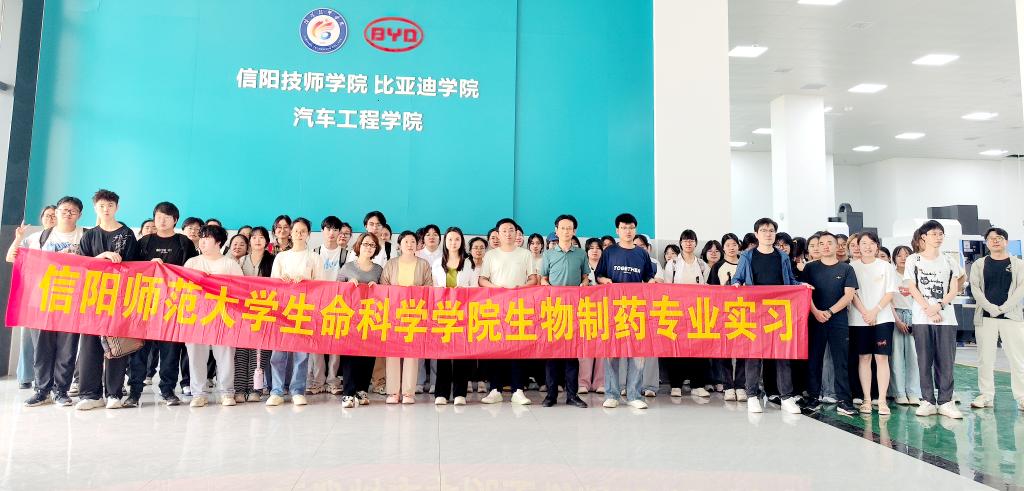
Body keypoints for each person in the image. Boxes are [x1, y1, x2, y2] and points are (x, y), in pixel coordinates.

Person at [12, 197, 84, 407]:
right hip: (42, 301)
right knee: (42, 348)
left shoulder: (86, 236)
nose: (67, 213)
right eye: (64, 209)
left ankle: (61, 391)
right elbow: (14, 258)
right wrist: (18, 239)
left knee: (67, 349)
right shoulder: (39, 237)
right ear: (57, 211)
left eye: (73, 210)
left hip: (72, 301)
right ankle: (41, 390)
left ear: (79, 214)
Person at [74, 189, 141, 410]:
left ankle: (114, 393)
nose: (106, 209)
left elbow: (134, 267)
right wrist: (100, 257)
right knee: (90, 347)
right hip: (92, 299)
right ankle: (90, 395)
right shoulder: (89, 235)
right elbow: (81, 266)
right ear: (95, 208)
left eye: (110, 205)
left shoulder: (127, 234)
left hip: (118, 300)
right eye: (102, 205)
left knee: (116, 346)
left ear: (117, 208)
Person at [130, 201, 199, 407]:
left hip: (172, 305)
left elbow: (191, 270)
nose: (161, 221)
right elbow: (132, 268)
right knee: (140, 350)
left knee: (170, 352)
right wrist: (148, 266)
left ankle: (168, 390)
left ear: (175, 220)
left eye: (167, 217)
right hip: (146, 304)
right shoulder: (144, 242)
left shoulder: (184, 242)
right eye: (158, 217)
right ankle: (134, 392)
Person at [731, 218, 803, 414]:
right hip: (755, 312)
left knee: (782, 355)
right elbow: (737, 278)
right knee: (754, 355)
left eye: (771, 230)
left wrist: (802, 286)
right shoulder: (747, 256)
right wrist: (736, 284)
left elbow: (790, 281)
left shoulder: (782, 256)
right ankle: (752, 395)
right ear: (757, 234)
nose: (768, 234)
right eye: (764, 230)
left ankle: (786, 397)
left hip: (778, 312)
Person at [595, 213, 657, 409]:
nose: (628, 231)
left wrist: (652, 282)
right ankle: (611, 393)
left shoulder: (642, 254)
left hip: (637, 309)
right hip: (613, 310)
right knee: (612, 352)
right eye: (624, 228)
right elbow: (598, 275)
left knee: (637, 352)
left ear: (635, 229)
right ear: (617, 230)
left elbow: (648, 277)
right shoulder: (609, 252)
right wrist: (605, 281)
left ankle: (634, 395)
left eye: (631, 227)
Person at [904, 220, 964, 419]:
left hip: (946, 318)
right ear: (923, 237)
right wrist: (928, 309)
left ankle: (946, 401)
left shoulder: (949, 260)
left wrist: (938, 306)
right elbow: (912, 287)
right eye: (934, 234)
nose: (938, 237)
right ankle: (927, 400)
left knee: (946, 361)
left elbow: (954, 289)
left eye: (941, 234)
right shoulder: (913, 260)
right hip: (922, 318)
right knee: (924, 360)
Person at [479, 218, 539, 405]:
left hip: (518, 307)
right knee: (496, 348)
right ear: (497, 234)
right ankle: (495, 389)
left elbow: (533, 279)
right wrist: (497, 288)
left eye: (511, 230)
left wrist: (520, 288)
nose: (508, 233)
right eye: (504, 230)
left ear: (516, 233)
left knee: (518, 348)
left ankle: (518, 390)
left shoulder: (525, 254)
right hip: (496, 307)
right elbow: (482, 279)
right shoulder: (491, 255)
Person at [183, 225, 244, 407]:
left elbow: (240, 290)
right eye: (201, 237)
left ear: (218, 242)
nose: (202, 241)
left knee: (225, 356)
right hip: (197, 317)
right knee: (196, 356)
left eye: (207, 238)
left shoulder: (230, 264)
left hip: (223, 316)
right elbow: (184, 289)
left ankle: (226, 392)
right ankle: (199, 393)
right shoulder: (192, 263)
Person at [267, 218, 325, 406]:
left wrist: (307, 281)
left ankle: (298, 390)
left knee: (301, 353)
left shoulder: (314, 258)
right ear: (290, 233)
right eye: (296, 231)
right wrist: (281, 280)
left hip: (304, 310)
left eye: (303, 231)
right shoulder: (281, 257)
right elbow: (272, 284)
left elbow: (322, 286)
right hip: (282, 310)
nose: (299, 234)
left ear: (308, 234)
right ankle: (276, 391)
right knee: (278, 352)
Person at [799, 231, 858, 415]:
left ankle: (844, 401)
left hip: (838, 320)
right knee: (814, 360)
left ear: (836, 246)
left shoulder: (846, 269)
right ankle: (813, 398)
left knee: (841, 361)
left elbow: (849, 295)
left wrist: (830, 311)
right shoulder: (810, 268)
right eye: (821, 243)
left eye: (829, 243)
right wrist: (816, 312)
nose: (825, 246)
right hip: (814, 319)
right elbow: (805, 293)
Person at [969, 227, 1024, 411]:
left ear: (1006, 241)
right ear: (987, 243)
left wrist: (1003, 308)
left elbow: (1021, 289)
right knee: (985, 359)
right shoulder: (979, 264)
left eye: (999, 238)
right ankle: (986, 396)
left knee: (1017, 359)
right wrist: (991, 308)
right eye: (991, 238)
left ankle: (1022, 397)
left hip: (1012, 317)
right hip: (986, 318)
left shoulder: (1018, 264)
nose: (995, 241)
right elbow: (975, 289)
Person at [539, 215, 590, 408]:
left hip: (574, 309)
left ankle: (572, 395)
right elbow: (543, 278)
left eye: (570, 228)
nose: (566, 231)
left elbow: (585, 276)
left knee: (572, 354)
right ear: (556, 230)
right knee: (552, 354)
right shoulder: (549, 254)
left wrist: (584, 284)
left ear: (574, 231)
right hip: (553, 310)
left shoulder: (581, 254)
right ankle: (551, 395)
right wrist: (547, 286)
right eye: (562, 228)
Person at [380, 230, 434, 404]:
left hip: (414, 313)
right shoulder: (391, 264)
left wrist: (416, 291)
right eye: (406, 242)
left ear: (417, 245)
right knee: (393, 352)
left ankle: (408, 392)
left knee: (412, 352)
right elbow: (383, 286)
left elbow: (429, 286)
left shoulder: (423, 264)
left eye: (413, 242)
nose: (409, 245)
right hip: (394, 313)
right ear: (399, 245)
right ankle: (393, 392)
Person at [849, 232, 898, 415]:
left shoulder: (886, 266)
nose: (867, 247)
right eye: (863, 243)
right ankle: (867, 399)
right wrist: (865, 313)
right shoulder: (852, 267)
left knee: (881, 358)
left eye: (872, 243)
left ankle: (882, 400)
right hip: (859, 320)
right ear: (858, 246)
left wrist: (874, 311)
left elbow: (890, 293)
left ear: (877, 246)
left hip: (882, 319)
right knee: (864, 358)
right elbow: (852, 293)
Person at [337, 232, 384, 408]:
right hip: (350, 317)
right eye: (365, 244)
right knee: (350, 355)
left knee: (368, 354)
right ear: (358, 245)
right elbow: (335, 289)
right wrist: (348, 285)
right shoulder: (347, 267)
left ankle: (362, 389)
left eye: (372, 245)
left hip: (370, 317)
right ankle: (348, 393)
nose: (368, 247)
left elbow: (386, 293)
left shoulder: (378, 269)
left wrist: (377, 288)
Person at [663, 229, 711, 399]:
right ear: (681, 243)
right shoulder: (672, 264)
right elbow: (667, 288)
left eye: (691, 241)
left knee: (698, 350)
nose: (688, 243)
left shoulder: (703, 265)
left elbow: (708, 289)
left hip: (698, 312)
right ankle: (676, 385)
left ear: (696, 243)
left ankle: (698, 385)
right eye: (685, 241)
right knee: (676, 349)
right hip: (676, 312)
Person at [432, 227, 477, 406]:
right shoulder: (437, 263)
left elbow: (475, 288)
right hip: (443, 313)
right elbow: (433, 287)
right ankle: (441, 393)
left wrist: (464, 291)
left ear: (461, 241)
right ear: (445, 242)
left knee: (461, 354)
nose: (453, 242)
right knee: (442, 354)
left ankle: (460, 393)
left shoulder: (468, 263)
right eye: (450, 239)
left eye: (457, 239)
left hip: (462, 313)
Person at [234, 226, 275, 402]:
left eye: (261, 237)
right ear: (249, 241)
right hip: (242, 311)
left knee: (259, 352)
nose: (257, 240)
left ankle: (255, 389)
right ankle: (239, 388)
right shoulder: (240, 261)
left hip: (264, 310)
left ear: (267, 241)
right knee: (241, 351)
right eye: (254, 237)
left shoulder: (273, 261)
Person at [308, 216, 347, 395]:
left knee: (335, 344)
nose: (331, 233)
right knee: (316, 343)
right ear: (322, 231)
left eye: (335, 229)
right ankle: (317, 380)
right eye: (328, 229)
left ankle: (332, 379)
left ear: (339, 232)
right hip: (317, 302)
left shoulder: (346, 254)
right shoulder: (314, 253)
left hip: (339, 304)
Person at [708, 233, 747, 402]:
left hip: (745, 313)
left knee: (743, 351)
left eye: (734, 244)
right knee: (725, 351)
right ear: (723, 248)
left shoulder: (745, 263)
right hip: (724, 314)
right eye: (728, 245)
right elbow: (711, 292)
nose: (731, 248)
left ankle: (741, 385)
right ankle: (728, 386)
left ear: (739, 246)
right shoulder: (718, 266)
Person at [889, 245, 921, 406]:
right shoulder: (891, 275)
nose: (903, 258)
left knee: (914, 357)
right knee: (896, 357)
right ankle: (899, 392)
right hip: (895, 315)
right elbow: (888, 300)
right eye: (899, 255)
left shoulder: (915, 275)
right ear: (894, 258)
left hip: (913, 316)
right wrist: (897, 320)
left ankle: (913, 392)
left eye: (906, 255)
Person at [416, 224, 444, 394]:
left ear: (440, 238)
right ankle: (419, 381)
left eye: (435, 234)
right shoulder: (416, 255)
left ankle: (435, 381)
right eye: (428, 234)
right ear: (423, 238)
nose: (432, 237)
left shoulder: (445, 255)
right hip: (420, 304)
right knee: (419, 342)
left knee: (436, 344)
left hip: (440, 305)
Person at [578, 238, 606, 395]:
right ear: (586, 251)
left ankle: (600, 382)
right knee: (585, 348)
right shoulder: (582, 267)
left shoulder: (606, 267)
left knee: (602, 347)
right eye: (591, 248)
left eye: (598, 248)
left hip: (604, 310)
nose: (595, 250)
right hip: (585, 310)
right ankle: (583, 382)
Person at [466, 236, 489, 394]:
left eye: (482, 247)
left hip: (486, 309)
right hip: (468, 310)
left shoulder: (489, 264)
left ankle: (481, 380)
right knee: (469, 347)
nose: (479, 250)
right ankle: (467, 379)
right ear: (470, 250)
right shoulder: (465, 265)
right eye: (475, 247)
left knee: (483, 347)